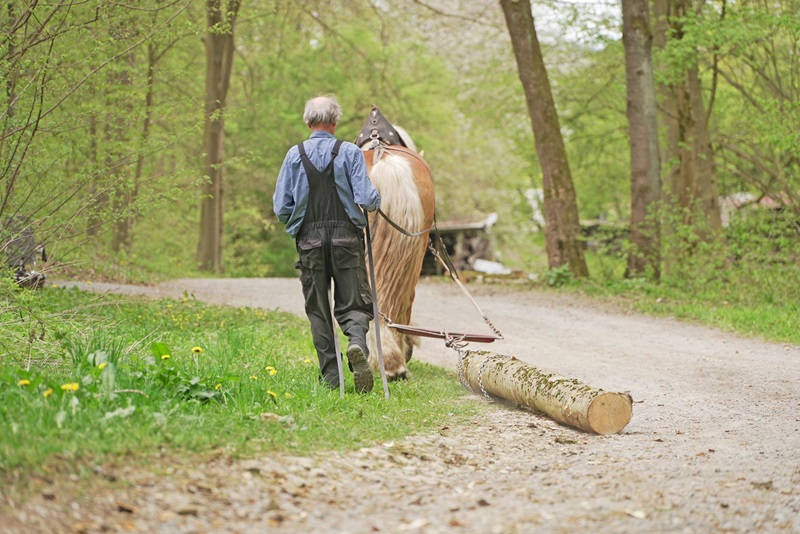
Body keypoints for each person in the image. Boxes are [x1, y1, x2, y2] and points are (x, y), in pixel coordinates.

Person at [273, 95, 381, 393]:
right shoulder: (349, 152)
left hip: (309, 241)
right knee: (354, 303)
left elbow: (281, 206)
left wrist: (298, 225)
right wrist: (376, 201)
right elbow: (368, 199)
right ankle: (357, 343)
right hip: (347, 238)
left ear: (308, 122)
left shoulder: (294, 155)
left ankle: (332, 381)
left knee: (318, 309)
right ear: (335, 122)